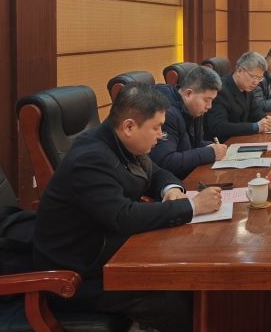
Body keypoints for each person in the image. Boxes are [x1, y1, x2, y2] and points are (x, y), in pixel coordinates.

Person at [34, 83, 222, 332]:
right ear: (129, 126)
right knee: (177, 297)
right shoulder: (90, 158)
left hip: (112, 252)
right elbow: (123, 216)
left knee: (191, 280)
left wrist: (171, 189)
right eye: (156, 128)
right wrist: (192, 206)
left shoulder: (120, 141)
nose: (161, 135)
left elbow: (156, 173)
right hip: (81, 273)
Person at [150, 65, 226, 179]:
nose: (209, 106)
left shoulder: (193, 108)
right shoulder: (166, 113)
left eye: (211, 101)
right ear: (188, 94)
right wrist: (210, 153)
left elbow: (192, 144)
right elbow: (166, 161)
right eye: (206, 100)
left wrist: (210, 146)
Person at [205, 51, 271, 140]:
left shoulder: (247, 87)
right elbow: (219, 126)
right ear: (239, 71)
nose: (256, 82)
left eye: (259, 78)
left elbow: (254, 112)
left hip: (241, 139)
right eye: (253, 77)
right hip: (224, 143)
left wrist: (266, 119)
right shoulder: (220, 91)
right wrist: (255, 127)